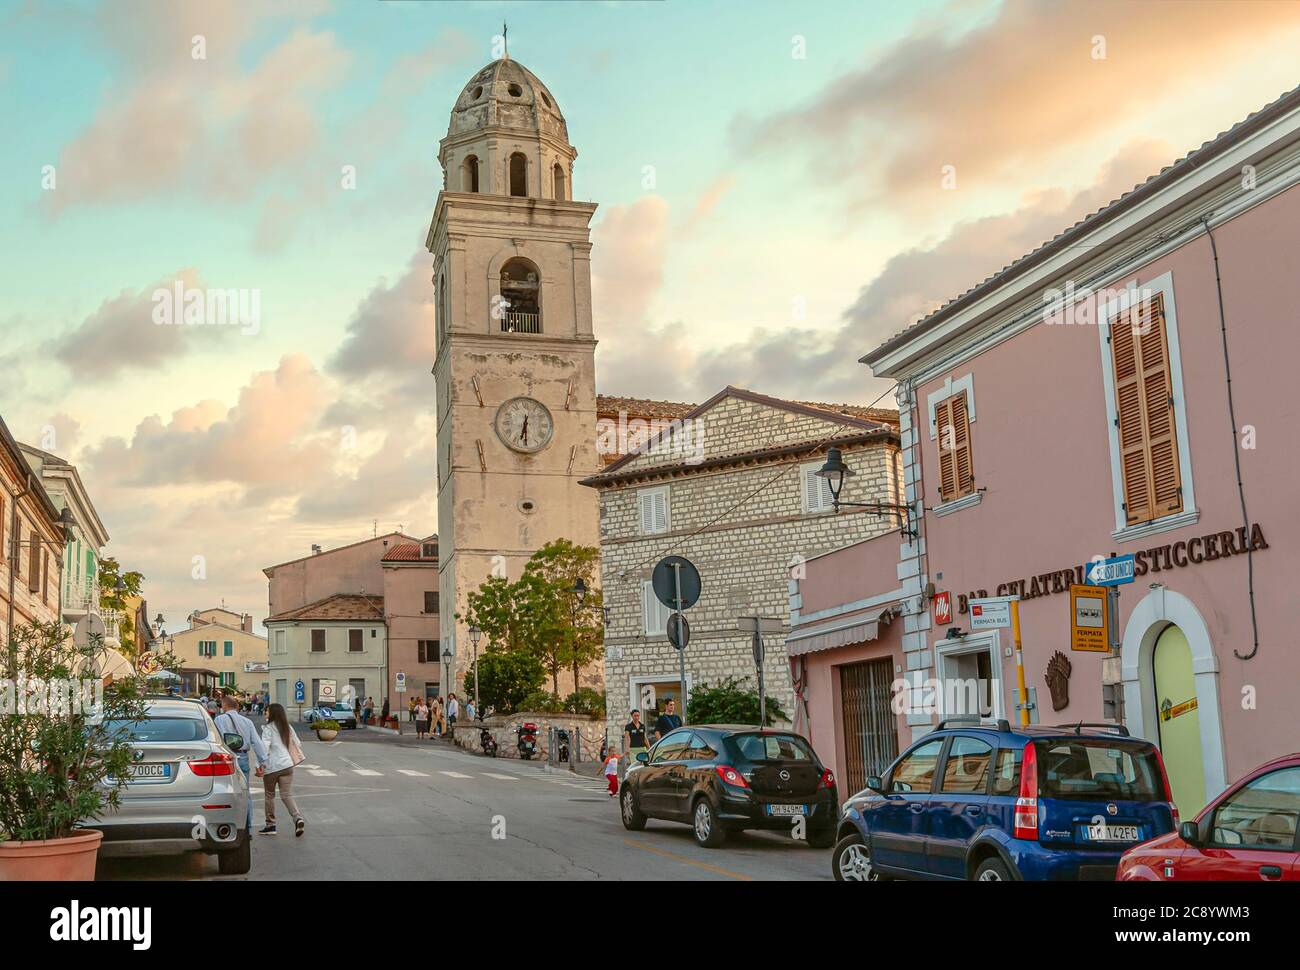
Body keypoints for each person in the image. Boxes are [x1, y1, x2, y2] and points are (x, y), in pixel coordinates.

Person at [216, 694, 268, 835]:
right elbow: (257, 742)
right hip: (243, 757)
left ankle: (227, 826)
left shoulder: (219, 720)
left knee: (225, 793)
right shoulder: (247, 722)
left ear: (224, 706)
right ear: (237, 707)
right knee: (246, 794)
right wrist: (263, 762)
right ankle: (248, 829)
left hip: (226, 759)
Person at [258, 703, 306, 837]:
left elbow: (264, 748)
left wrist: (260, 764)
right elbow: (298, 743)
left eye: (266, 711)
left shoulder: (268, 728)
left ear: (272, 713)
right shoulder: (287, 727)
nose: (265, 713)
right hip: (287, 765)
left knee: (269, 795)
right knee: (286, 795)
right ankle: (297, 818)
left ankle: (270, 825)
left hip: (272, 767)